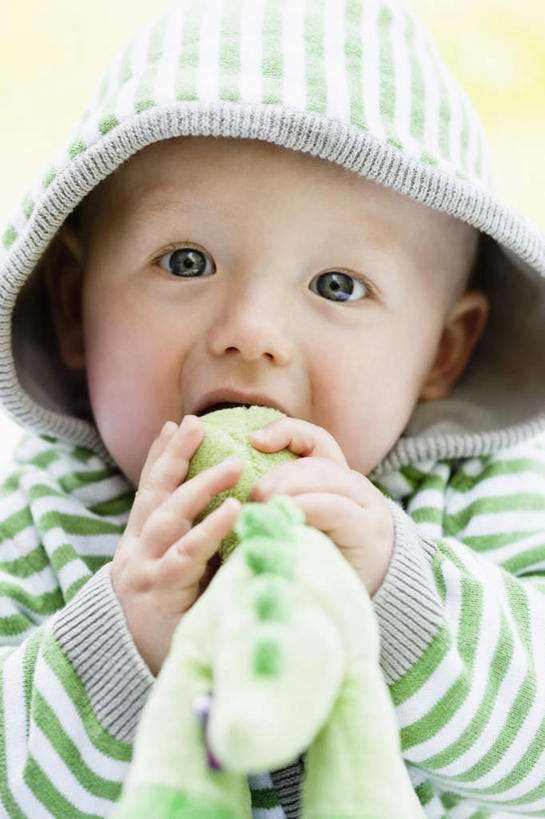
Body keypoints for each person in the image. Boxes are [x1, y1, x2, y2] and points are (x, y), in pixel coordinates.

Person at [0, 0, 544, 816]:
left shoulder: (475, 501)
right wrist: (118, 647)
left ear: (442, 350)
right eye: (186, 260)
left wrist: (401, 594)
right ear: (74, 305)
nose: (251, 333)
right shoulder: (38, 512)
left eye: (337, 285)